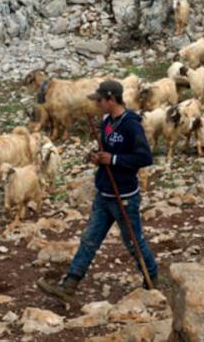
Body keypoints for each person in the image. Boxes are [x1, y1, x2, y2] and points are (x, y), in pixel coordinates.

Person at [37, 79, 159, 304]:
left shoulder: (131, 124)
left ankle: (152, 278)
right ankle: (69, 285)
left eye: (100, 100)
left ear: (111, 99)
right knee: (89, 239)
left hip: (124, 195)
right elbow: (106, 151)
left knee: (133, 241)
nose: (97, 105)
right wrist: (97, 157)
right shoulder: (106, 122)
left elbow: (145, 158)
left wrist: (112, 159)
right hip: (104, 192)